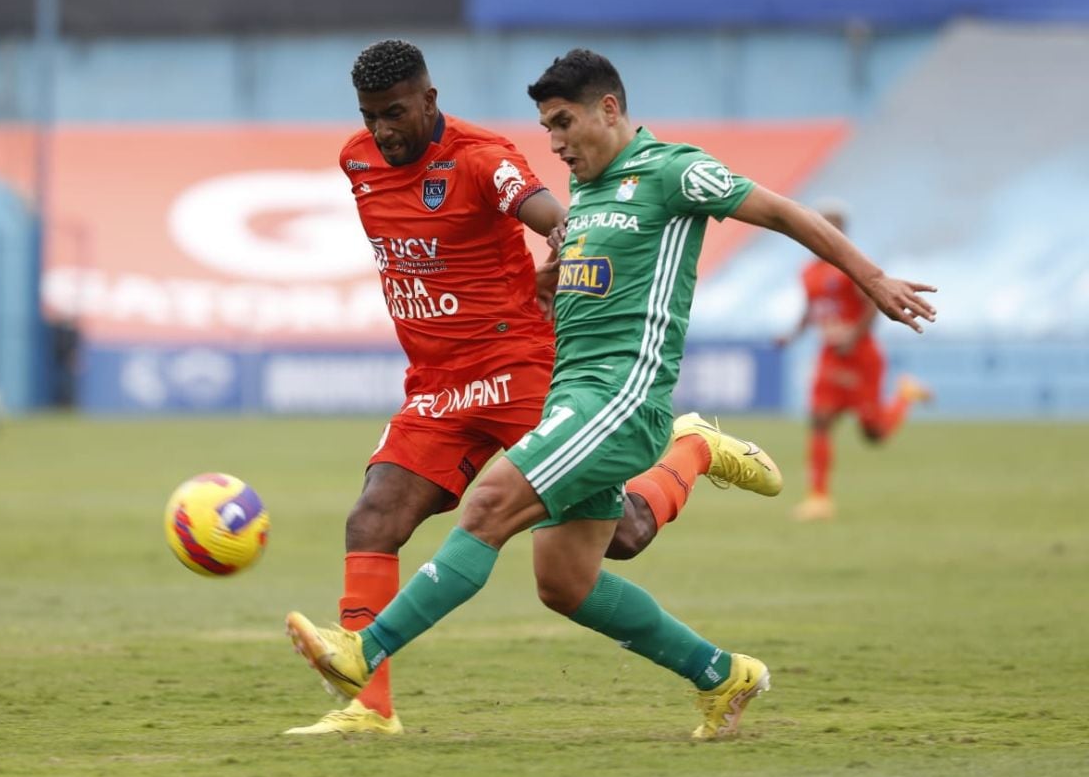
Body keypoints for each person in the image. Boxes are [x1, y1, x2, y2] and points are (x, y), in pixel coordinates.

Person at [284, 48, 936, 740]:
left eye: (564, 123)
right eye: (548, 128)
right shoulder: (591, 188)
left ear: (609, 109)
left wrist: (873, 279)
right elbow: (585, 265)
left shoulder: (672, 170)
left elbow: (780, 211)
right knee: (567, 579)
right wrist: (553, 279)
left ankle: (367, 654)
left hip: (615, 396)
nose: (557, 143)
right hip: (550, 389)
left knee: (490, 505)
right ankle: (723, 674)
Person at [775, 199, 933, 522]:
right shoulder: (808, 272)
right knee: (819, 419)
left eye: (833, 225)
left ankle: (905, 395)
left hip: (860, 357)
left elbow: (871, 304)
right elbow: (811, 309)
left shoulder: (850, 266)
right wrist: (792, 335)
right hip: (830, 355)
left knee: (873, 434)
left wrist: (853, 336)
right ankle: (818, 498)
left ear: (842, 231)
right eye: (820, 223)